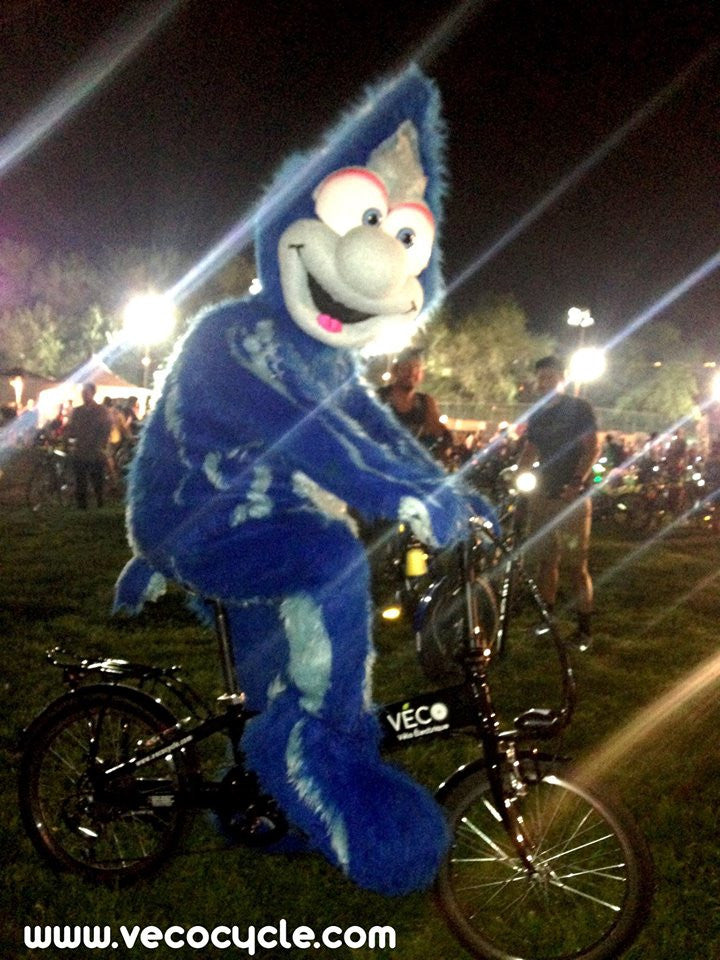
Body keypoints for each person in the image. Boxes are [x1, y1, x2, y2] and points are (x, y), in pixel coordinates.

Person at [517, 355, 600, 650]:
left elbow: (593, 447)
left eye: (550, 377)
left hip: (572, 497)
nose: (545, 382)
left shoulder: (579, 408)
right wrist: (518, 475)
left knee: (577, 566)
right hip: (544, 495)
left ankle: (584, 628)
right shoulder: (538, 415)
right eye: (541, 378)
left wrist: (578, 481)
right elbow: (530, 450)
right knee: (546, 561)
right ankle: (546, 619)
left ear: (562, 379)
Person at [378, 348, 453, 463]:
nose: (412, 372)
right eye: (407, 367)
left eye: (417, 368)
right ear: (395, 370)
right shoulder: (379, 397)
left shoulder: (426, 403)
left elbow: (442, 436)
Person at [66, 383, 112, 509]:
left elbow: (106, 428)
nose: (84, 395)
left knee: (97, 477)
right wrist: (67, 438)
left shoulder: (101, 410)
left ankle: (99, 501)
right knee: (80, 478)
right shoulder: (78, 411)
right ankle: (82, 504)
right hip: (81, 448)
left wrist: (101, 444)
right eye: (83, 393)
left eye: (87, 392)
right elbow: (72, 428)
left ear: (92, 393)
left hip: (95, 449)